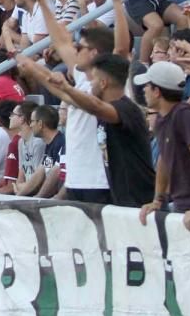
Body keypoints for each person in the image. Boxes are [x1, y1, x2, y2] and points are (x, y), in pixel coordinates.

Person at [19, 52, 154, 207]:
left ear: (103, 83)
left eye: (94, 79)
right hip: (121, 196)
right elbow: (65, 94)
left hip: (139, 199)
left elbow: (93, 105)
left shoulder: (125, 109)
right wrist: (34, 69)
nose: (90, 83)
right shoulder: (104, 109)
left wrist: (66, 87)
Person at [135, 61, 190, 225]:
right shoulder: (163, 119)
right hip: (180, 202)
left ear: (157, 91)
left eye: (147, 86)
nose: (144, 90)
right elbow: (163, 159)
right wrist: (158, 199)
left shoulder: (185, 115)